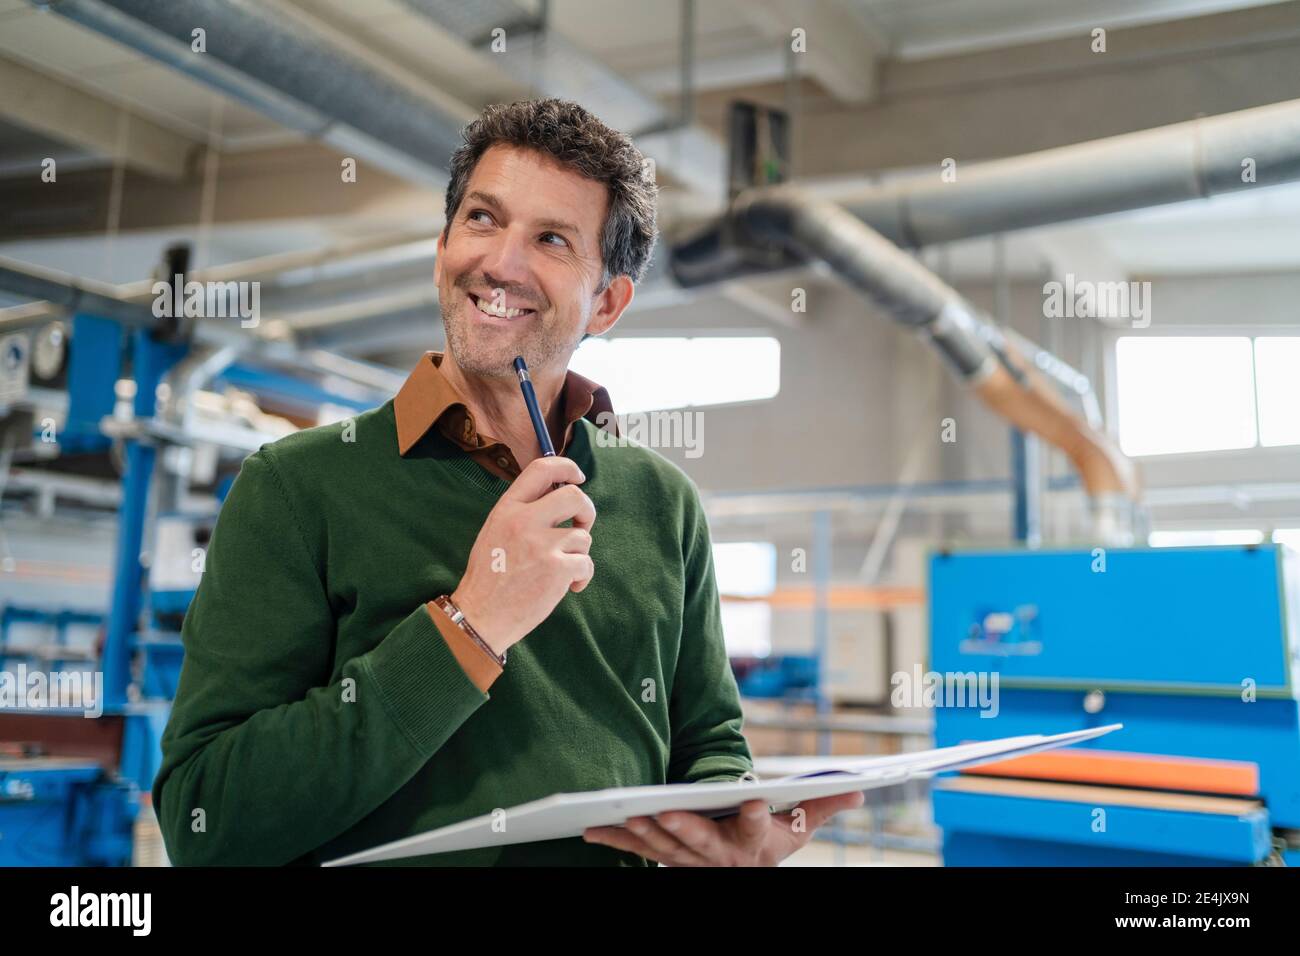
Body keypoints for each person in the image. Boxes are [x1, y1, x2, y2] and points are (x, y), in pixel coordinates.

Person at [153, 98, 862, 866]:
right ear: (442, 248)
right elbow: (205, 818)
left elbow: (707, 740)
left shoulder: (663, 503)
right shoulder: (295, 488)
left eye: (551, 239)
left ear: (608, 302)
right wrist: (469, 626)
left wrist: (735, 820)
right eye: (484, 220)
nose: (502, 263)